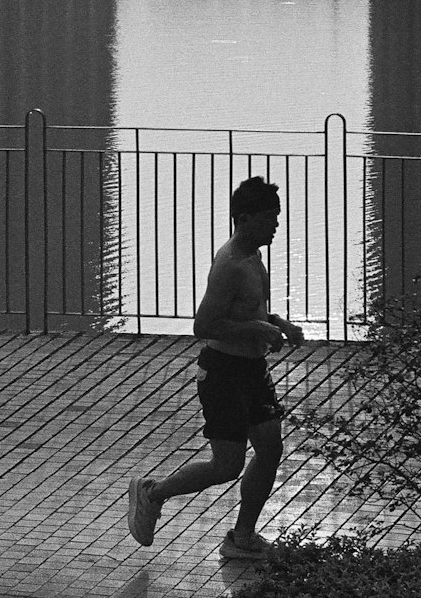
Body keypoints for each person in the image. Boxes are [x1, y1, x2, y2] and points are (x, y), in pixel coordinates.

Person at [127, 175, 304, 559]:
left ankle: (242, 537)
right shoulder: (229, 266)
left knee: (270, 449)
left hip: (252, 371)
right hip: (222, 372)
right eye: (268, 218)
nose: (275, 225)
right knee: (227, 465)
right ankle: (152, 492)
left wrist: (278, 323)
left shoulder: (254, 258)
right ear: (244, 218)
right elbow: (204, 326)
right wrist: (257, 327)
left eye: (277, 216)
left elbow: (249, 311)